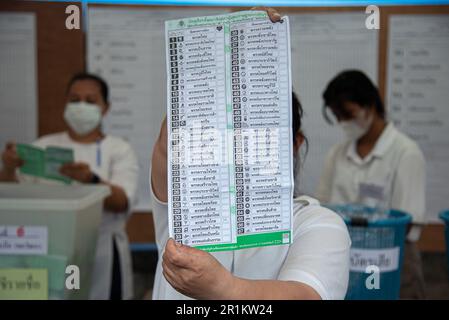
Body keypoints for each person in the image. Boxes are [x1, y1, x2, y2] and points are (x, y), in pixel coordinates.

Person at [151, 10, 351, 296]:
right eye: (227, 133)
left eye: (261, 131)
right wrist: (227, 45)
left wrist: (222, 287)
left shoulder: (317, 224)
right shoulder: (186, 210)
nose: (243, 146)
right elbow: (168, 141)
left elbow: (307, 294)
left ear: (295, 143)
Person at [0, 73, 138, 300]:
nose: (80, 106)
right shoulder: (43, 146)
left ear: (105, 107)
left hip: (102, 251)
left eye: (90, 100)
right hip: (48, 250)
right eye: (74, 99)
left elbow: (122, 202)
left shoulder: (119, 149)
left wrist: (91, 180)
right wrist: (7, 168)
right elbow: (11, 196)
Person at [316, 70, 426, 299]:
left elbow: (406, 222)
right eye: (336, 115)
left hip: (389, 261)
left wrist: (363, 241)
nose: (342, 122)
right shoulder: (337, 154)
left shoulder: (406, 153)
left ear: (370, 106)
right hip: (341, 258)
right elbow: (322, 207)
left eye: (347, 113)